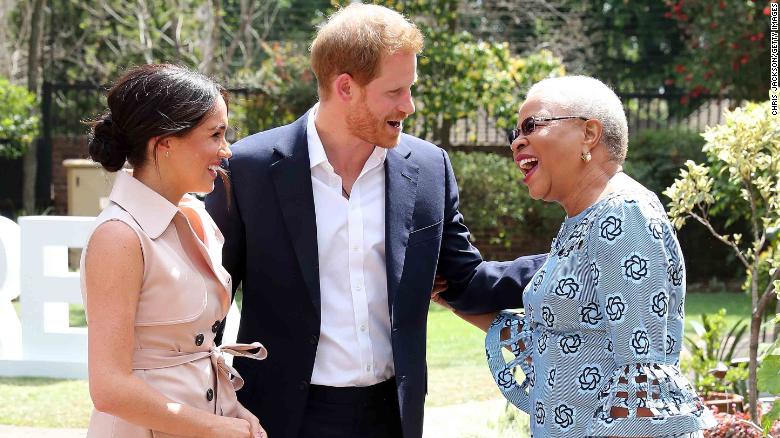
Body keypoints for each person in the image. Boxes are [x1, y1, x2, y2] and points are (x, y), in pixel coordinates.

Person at [204, 4, 545, 438]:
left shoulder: (429, 167)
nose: (410, 105)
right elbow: (208, 301)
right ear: (345, 86)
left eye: (410, 88)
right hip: (278, 415)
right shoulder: (248, 170)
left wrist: (572, 261)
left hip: (393, 415)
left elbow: (465, 279)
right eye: (395, 91)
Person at [434, 76, 717, 437]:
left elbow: (641, 379)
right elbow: (556, 343)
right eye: (515, 133)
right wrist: (447, 297)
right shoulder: (584, 220)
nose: (517, 142)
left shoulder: (623, 214)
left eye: (532, 125)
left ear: (589, 134)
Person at [81, 64, 268, 438]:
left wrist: (235, 411)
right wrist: (214, 427)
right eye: (215, 134)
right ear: (163, 143)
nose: (227, 150)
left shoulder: (195, 214)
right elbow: (110, 388)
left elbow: (191, 354)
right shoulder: (119, 237)